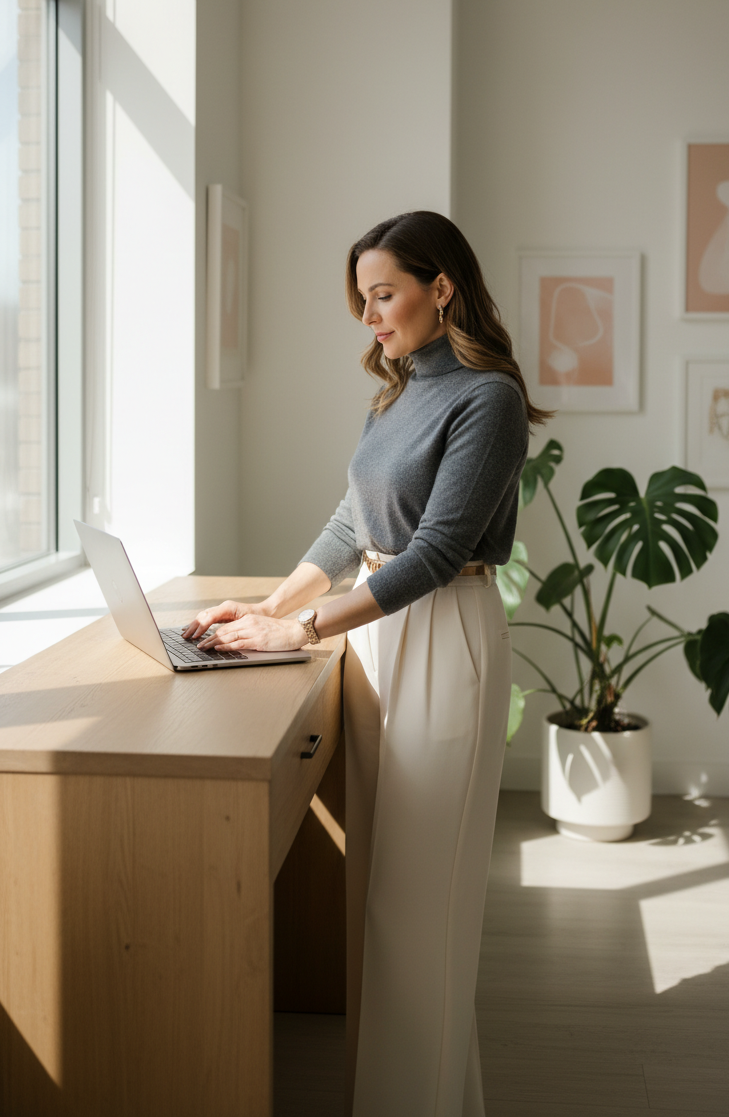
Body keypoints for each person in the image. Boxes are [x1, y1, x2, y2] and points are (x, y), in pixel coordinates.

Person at [183, 211, 548, 1117]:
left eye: (383, 295)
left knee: (421, 908)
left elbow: (431, 554)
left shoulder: (487, 398)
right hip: (379, 632)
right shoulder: (395, 389)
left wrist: (302, 630)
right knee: (382, 899)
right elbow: (353, 524)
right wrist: (266, 606)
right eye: (363, 298)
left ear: (441, 288)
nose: (370, 316)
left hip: (442, 632)